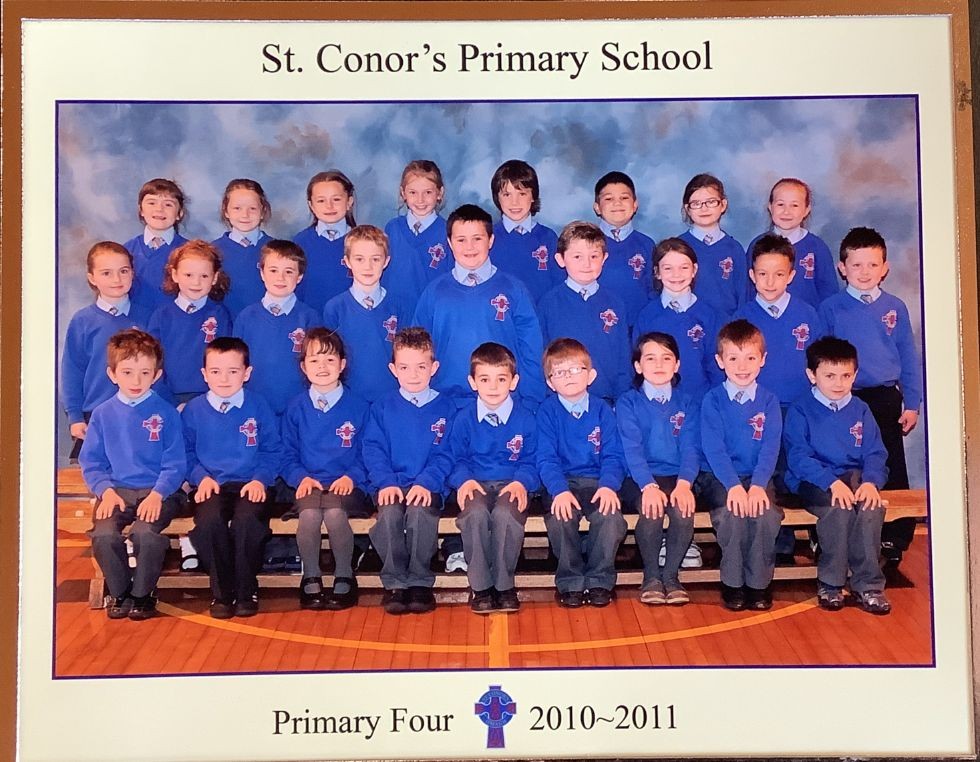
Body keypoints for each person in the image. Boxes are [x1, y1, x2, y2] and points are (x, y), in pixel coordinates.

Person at [818, 226, 922, 566]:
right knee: (844, 463)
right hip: (843, 398)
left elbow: (908, 356)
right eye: (857, 265)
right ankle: (841, 533)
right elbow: (820, 356)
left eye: (872, 265)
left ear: (884, 268)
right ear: (842, 268)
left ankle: (894, 536)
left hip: (884, 398)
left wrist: (913, 403)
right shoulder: (831, 308)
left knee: (889, 463)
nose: (865, 272)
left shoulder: (895, 307)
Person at [79, 328, 186, 620]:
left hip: (160, 491)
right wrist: (105, 491)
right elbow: (92, 461)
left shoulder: (166, 413)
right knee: (103, 534)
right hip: (116, 491)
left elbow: (175, 462)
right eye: (127, 372)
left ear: (157, 375)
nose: (136, 381)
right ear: (112, 374)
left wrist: (158, 494)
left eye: (144, 373)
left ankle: (143, 594)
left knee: (145, 534)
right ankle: (120, 591)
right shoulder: (102, 414)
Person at [734, 233, 827, 563]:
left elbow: (819, 364)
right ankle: (778, 543)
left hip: (799, 409)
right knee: (767, 473)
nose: (770, 281)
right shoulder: (741, 319)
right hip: (757, 412)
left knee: (798, 471)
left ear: (791, 275)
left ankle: (817, 537)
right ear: (751, 275)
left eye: (778, 274)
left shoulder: (808, 315)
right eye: (762, 274)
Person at [784, 337, 891, 614]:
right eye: (829, 376)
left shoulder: (861, 409)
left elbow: (875, 453)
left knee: (871, 507)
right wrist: (830, 482)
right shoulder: (800, 409)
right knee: (838, 509)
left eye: (846, 375)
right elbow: (798, 458)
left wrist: (871, 482)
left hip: (854, 477)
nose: (838, 383)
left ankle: (868, 584)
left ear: (855, 375)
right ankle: (831, 582)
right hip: (815, 480)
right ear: (812, 375)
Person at [181, 337, 279, 619]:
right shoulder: (193, 410)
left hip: (252, 483)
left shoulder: (259, 406)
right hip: (211, 484)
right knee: (209, 522)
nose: (224, 379)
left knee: (248, 522)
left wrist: (260, 479)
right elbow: (185, 453)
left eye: (233, 371)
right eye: (215, 371)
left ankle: (246, 590)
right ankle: (222, 593)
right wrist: (201, 477)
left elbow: (273, 450)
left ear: (247, 373)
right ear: (204, 374)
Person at [361, 327, 456, 615]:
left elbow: (448, 453)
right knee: (389, 513)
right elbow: (373, 449)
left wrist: (428, 481)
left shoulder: (447, 407)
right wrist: (386, 482)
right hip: (391, 483)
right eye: (404, 367)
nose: (413, 375)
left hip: (428, 485)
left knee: (419, 512)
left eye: (421, 367)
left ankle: (419, 581)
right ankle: (395, 582)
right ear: (393, 369)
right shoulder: (382, 407)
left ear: (434, 368)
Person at [413, 203, 546, 406]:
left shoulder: (514, 289)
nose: (469, 247)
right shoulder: (434, 292)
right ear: (449, 243)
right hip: (446, 402)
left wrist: (532, 400)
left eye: (477, 239)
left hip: (504, 401)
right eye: (461, 240)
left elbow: (531, 348)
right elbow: (417, 351)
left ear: (490, 240)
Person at [281, 328, 371, 611]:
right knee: (309, 515)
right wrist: (300, 478)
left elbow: (368, 452)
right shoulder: (295, 408)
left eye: (330, 360)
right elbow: (286, 454)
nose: (322, 367)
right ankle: (310, 576)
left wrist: (352, 476)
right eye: (314, 360)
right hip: (310, 485)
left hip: (349, 486)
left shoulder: (359, 407)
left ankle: (345, 574)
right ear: (303, 367)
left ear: (342, 364)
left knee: (333, 513)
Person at [698, 319, 783, 611]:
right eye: (733, 358)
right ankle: (733, 583)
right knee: (732, 514)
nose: (742, 366)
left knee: (764, 514)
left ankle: (759, 584)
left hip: (758, 475)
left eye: (750, 358)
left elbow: (770, 447)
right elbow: (714, 449)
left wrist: (758, 485)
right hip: (721, 477)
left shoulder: (769, 401)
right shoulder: (712, 400)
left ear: (763, 360)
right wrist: (734, 486)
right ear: (720, 361)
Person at [447, 343, 538, 614]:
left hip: (513, 483)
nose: (493, 386)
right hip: (475, 483)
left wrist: (522, 481)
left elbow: (533, 459)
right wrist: (463, 479)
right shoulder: (463, 419)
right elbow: (455, 458)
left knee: (505, 514)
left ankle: (504, 585)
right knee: (474, 514)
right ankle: (481, 587)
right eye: (485, 379)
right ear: (472, 382)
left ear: (514, 381)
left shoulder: (526, 418)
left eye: (501, 379)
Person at [537, 338, 627, 609]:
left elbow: (614, 455)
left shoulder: (603, 411)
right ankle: (570, 581)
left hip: (597, 482)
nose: (569, 376)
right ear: (550, 382)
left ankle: (600, 579)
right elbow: (546, 459)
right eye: (560, 372)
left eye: (576, 369)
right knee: (561, 517)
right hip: (561, 483)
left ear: (591, 375)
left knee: (610, 517)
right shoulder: (547, 412)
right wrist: (559, 491)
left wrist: (609, 486)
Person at [616, 332, 700, 605]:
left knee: (683, 510)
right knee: (651, 510)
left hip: (677, 477)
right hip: (640, 478)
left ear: (677, 365)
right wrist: (648, 485)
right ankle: (651, 576)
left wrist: (685, 484)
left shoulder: (688, 403)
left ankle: (672, 577)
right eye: (650, 358)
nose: (659, 364)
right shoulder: (628, 402)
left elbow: (691, 448)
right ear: (638, 366)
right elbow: (632, 449)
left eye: (666, 358)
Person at [62, 241, 155, 461]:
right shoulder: (83, 321)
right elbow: (72, 370)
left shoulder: (149, 317)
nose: (116, 279)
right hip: (95, 415)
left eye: (123, 271)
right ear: (92, 278)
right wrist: (75, 416)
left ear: (133, 273)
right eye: (106, 273)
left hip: (141, 413)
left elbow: (159, 368)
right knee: (94, 474)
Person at [538, 220, 632, 403]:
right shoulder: (548, 303)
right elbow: (541, 358)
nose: (587, 264)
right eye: (577, 257)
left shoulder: (615, 303)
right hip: (562, 401)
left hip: (607, 400)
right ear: (560, 259)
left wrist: (621, 398)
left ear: (604, 258)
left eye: (594, 256)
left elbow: (623, 358)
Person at [322, 225, 414, 403]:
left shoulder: (400, 306)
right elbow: (330, 358)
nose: (368, 266)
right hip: (349, 399)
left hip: (392, 398)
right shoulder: (334, 309)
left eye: (375, 259)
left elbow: (408, 356)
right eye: (359, 259)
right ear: (347, 261)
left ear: (386, 261)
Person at [233, 239, 320, 417]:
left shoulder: (310, 318)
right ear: (262, 273)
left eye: (289, 271)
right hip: (255, 408)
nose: (280, 278)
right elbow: (235, 364)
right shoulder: (246, 318)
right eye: (273, 270)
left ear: (299, 277)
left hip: (299, 407)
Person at [634, 237, 724, 403]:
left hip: (699, 402)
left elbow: (716, 366)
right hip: (658, 405)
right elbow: (637, 363)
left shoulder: (709, 315)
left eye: (684, 267)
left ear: (694, 270)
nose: (676, 274)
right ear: (657, 272)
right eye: (668, 268)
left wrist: (713, 403)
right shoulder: (647, 316)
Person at [147, 240, 233, 404]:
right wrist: (169, 402)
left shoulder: (220, 315)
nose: (196, 282)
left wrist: (210, 400)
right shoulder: (161, 316)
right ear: (175, 275)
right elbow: (151, 362)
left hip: (209, 399)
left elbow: (226, 361)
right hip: (168, 399)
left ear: (214, 278)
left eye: (204, 276)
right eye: (188, 275)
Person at [745, 177, 837, 307]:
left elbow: (829, 293)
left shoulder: (817, 248)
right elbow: (747, 291)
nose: (786, 211)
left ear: (806, 209)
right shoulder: (757, 245)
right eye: (780, 204)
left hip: (806, 319)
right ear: (770, 207)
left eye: (794, 205)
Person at [382, 160, 451, 314]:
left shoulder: (448, 232)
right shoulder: (392, 229)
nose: (420, 200)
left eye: (428, 192)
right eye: (413, 192)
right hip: (394, 315)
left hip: (432, 314)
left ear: (439, 193)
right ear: (403, 193)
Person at [488, 159, 561, 303]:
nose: (514, 202)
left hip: (540, 314)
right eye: (507, 195)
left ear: (533, 196)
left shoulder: (548, 238)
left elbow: (559, 286)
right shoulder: (488, 238)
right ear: (497, 198)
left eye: (522, 194)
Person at [676, 173, 747, 318]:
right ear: (688, 209)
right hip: (687, 323)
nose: (704, 209)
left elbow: (743, 296)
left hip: (726, 325)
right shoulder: (678, 248)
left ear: (723, 205)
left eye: (711, 202)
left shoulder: (734, 249)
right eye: (696, 203)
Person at [592, 171, 655, 325]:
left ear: (635, 205)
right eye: (609, 199)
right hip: (596, 324)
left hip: (638, 326)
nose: (617, 203)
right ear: (597, 207)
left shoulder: (647, 245)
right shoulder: (586, 244)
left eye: (624, 198)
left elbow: (654, 290)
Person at [292, 170, 358, 313]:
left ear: (349, 202)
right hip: (312, 322)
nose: (329, 206)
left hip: (351, 320)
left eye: (336, 199)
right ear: (311, 205)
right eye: (321, 201)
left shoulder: (364, 243)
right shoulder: (299, 243)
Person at [124, 178, 190, 309]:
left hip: (174, 320)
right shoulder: (126, 252)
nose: (159, 209)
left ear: (179, 213)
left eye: (168, 204)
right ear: (141, 210)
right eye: (152, 203)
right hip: (135, 321)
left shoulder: (190, 252)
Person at [212, 178, 273, 319]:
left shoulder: (277, 251)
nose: (245, 215)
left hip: (264, 326)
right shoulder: (212, 252)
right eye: (237, 208)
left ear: (263, 211)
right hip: (224, 328)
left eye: (252, 208)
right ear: (226, 211)